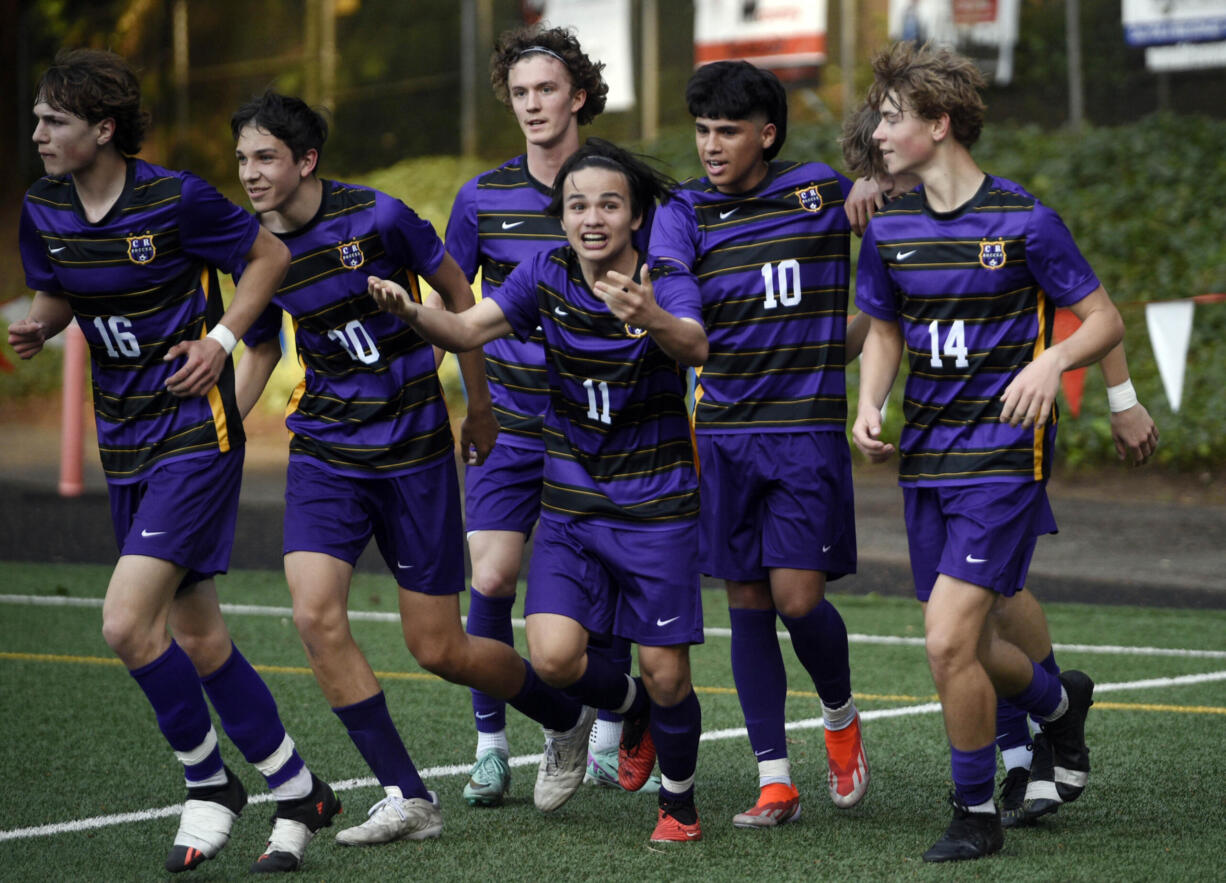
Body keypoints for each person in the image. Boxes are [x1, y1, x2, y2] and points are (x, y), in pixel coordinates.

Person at [229, 90, 596, 844]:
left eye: (264, 157)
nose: (250, 173)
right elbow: (262, 343)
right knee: (313, 613)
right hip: (327, 449)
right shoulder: (254, 248)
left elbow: (461, 296)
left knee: (441, 649)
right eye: (241, 158)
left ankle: (566, 716)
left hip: (414, 448)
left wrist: (481, 404)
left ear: (306, 160)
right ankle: (409, 796)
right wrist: (219, 430)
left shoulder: (381, 217)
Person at [10, 49, 338, 875]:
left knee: (125, 622)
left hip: (196, 433)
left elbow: (268, 258)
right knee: (197, 635)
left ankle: (208, 781)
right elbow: (58, 294)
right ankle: (300, 789)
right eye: (39, 118)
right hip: (123, 441)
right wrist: (37, 325)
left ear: (103, 128)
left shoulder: (177, 199)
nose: (39, 132)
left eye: (55, 119)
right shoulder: (43, 206)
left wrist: (222, 341)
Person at [369, 138, 709, 843]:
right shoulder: (543, 275)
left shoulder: (662, 277)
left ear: (636, 215)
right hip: (574, 500)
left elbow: (696, 344)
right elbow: (465, 325)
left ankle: (679, 801)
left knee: (669, 670)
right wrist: (409, 313)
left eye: (609, 204)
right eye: (578, 205)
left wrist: (652, 317)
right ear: (562, 219)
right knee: (553, 656)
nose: (592, 217)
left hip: (656, 505)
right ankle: (629, 707)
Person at [841, 96, 1159, 826]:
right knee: (980, 633)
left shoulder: (1025, 220)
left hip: (1006, 456)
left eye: (891, 119)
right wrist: (872, 401)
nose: (878, 135)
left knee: (952, 636)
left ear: (940, 124)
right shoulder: (889, 228)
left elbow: (1102, 316)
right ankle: (1058, 704)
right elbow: (885, 331)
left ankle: (977, 807)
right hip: (926, 460)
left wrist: (1068, 369)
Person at [647, 60, 869, 829]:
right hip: (726, 434)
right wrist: (674, 320)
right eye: (703, 131)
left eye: (728, 132)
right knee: (746, 599)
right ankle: (775, 778)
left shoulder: (818, 190)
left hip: (805, 430)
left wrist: (875, 183)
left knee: (798, 597)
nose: (711, 146)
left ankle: (839, 714)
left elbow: (895, 201)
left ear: (766, 134)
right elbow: (675, 285)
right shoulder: (684, 209)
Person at [445, 25, 650, 803]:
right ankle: (493, 741)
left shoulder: (622, 187)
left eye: (547, 90)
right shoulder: (481, 196)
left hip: (600, 429)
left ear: (579, 96)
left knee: (607, 583)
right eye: (521, 92)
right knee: (492, 575)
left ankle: (607, 727)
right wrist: (478, 401)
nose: (533, 105)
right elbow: (457, 304)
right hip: (512, 421)